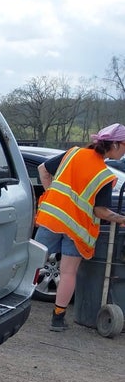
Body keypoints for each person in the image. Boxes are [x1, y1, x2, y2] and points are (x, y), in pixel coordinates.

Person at [35, 123, 125, 331]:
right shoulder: (103, 175)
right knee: (68, 273)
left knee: (31, 263)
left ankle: (11, 304)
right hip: (77, 229)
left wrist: (53, 197)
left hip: (52, 220)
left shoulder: (73, 153)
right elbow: (100, 211)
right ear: (117, 145)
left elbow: (43, 170)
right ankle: (57, 318)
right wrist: (121, 219)